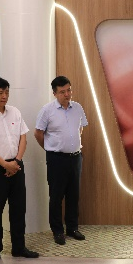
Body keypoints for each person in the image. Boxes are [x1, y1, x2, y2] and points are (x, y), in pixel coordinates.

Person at [0, 77, 39, 262]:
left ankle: (19, 247)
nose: (4, 96)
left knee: (18, 209)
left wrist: (16, 162)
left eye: (7, 92)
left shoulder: (15, 112)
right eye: (0, 93)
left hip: (17, 166)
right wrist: (5, 164)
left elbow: (23, 138)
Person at [34, 76, 88, 246]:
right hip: (56, 158)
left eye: (69, 90)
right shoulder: (47, 110)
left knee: (74, 195)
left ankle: (72, 228)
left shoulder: (77, 108)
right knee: (56, 196)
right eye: (62, 92)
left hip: (75, 157)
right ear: (55, 93)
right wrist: (51, 148)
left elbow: (80, 128)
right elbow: (38, 133)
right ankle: (57, 231)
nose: (67, 94)